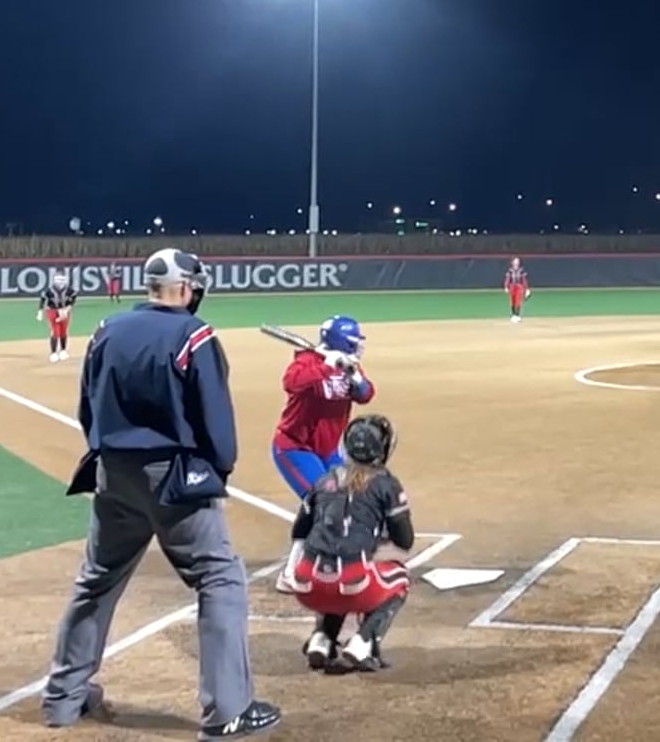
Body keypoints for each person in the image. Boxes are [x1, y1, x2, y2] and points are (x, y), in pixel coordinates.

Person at [40, 247, 281, 739]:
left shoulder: (107, 329)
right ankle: (228, 711)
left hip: (112, 473)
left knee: (97, 579)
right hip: (173, 477)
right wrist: (216, 471)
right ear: (187, 287)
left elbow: (87, 407)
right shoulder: (194, 335)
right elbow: (215, 420)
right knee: (219, 578)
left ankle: (63, 699)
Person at [286, 415, 412, 675]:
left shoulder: (323, 479)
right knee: (399, 578)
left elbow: (299, 530)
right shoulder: (386, 484)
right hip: (353, 584)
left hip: (306, 582)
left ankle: (323, 638)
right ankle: (363, 643)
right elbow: (405, 540)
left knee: (335, 570)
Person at [272, 315, 378, 593]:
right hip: (295, 447)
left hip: (328, 450)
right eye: (354, 341)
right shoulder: (307, 361)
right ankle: (291, 572)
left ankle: (331, 561)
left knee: (346, 502)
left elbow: (366, 394)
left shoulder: (349, 364)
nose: (359, 346)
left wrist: (354, 376)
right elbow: (291, 382)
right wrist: (326, 366)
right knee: (321, 502)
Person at [39, 270, 79, 362]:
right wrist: (40, 311)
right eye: (58, 279)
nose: (60, 282)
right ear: (54, 280)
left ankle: (63, 351)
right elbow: (42, 299)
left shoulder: (69, 290)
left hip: (64, 311)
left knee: (63, 331)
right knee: (55, 331)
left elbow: (74, 297)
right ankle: (53, 353)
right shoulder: (49, 290)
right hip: (52, 310)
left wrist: (68, 307)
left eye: (62, 279)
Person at [503, 257, 530, 323]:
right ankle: (513, 315)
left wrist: (527, 289)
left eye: (517, 261)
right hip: (512, 287)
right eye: (515, 261)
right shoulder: (509, 270)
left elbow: (524, 280)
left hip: (519, 287)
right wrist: (506, 286)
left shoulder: (522, 270)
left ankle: (517, 315)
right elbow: (507, 279)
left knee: (518, 301)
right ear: (512, 262)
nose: (516, 262)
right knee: (512, 301)